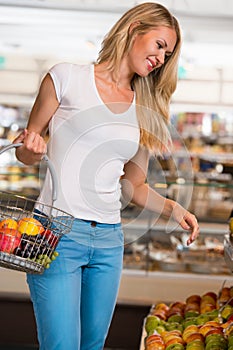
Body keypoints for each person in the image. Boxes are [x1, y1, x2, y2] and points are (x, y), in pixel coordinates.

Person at [14, 2, 200, 350]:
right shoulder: (66, 77)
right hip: (55, 234)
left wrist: (173, 209)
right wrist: (33, 148)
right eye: (159, 45)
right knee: (61, 346)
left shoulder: (146, 107)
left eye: (168, 53)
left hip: (108, 241)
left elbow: (134, 186)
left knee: (93, 345)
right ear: (135, 28)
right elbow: (26, 150)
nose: (161, 58)